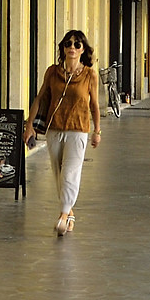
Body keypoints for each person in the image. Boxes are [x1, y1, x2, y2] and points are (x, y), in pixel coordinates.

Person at [28, 29, 103, 237]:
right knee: (59, 174)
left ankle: (62, 215)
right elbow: (40, 97)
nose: (72, 47)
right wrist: (29, 126)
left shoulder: (90, 74)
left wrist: (97, 131)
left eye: (77, 45)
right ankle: (70, 212)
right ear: (62, 47)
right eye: (68, 44)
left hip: (78, 130)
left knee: (70, 173)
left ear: (83, 50)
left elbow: (95, 105)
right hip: (54, 129)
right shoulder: (52, 72)